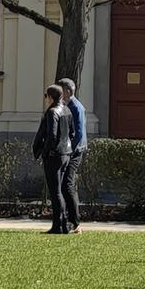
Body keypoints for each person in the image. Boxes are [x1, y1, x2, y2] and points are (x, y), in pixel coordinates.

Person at [33, 85, 72, 235]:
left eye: (45, 96)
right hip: (66, 154)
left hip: (54, 155)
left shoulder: (52, 112)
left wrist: (45, 151)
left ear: (50, 97)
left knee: (55, 192)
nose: (45, 99)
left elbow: (52, 136)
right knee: (60, 190)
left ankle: (58, 225)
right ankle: (63, 224)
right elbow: (72, 133)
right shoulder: (67, 110)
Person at [56, 76, 87, 233]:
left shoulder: (76, 107)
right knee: (65, 185)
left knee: (67, 185)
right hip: (70, 150)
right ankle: (70, 220)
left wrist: (70, 150)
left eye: (61, 91)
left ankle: (75, 223)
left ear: (67, 91)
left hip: (74, 152)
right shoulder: (68, 105)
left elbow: (79, 132)